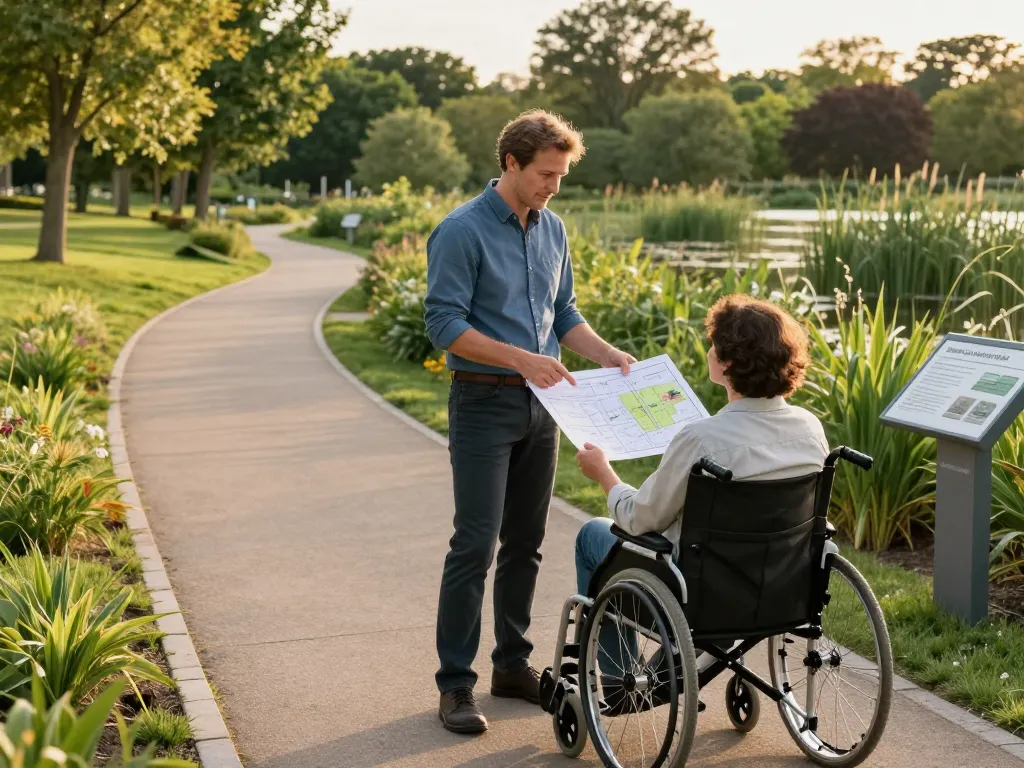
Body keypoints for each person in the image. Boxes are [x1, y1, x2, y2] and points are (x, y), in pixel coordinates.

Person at [424, 109, 636, 734]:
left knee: (526, 543)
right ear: (510, 163)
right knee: (474, 543)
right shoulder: (460, 231)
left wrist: (608, 354)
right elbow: (443, 325)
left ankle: (512, 665)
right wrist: (521, 358)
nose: (553, 185)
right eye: (545, 173)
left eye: (562, 175)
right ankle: (455, 686)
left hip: (545, 408)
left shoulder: (554, 228)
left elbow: (563, 312)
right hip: (483, 403)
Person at [574, 294, 830, 608]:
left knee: (592, 534)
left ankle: (615, 659)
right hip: (780, 585)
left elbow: (641, 519)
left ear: (727, 363)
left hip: (700, 591)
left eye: (713, 345)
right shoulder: (810, 429)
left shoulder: (702, 439)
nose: (709, 350)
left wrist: (604, 472)